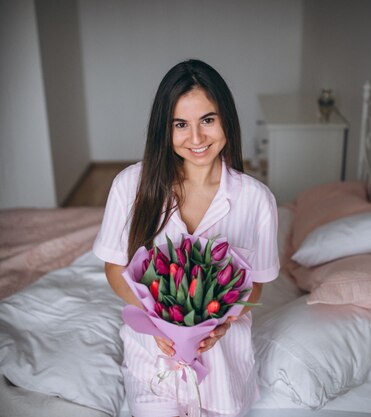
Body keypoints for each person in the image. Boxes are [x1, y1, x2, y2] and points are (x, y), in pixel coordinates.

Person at [93, 59, 279, 417]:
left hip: (224, 371)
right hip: (152, 361)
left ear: (227, 119)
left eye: (208, 120)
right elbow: (115, 267)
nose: (196, 138)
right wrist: (161, 320)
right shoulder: (129, 186)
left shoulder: (257, 200)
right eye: (181, 124)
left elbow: (255, 284)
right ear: (165, 129)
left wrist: (224, 323)